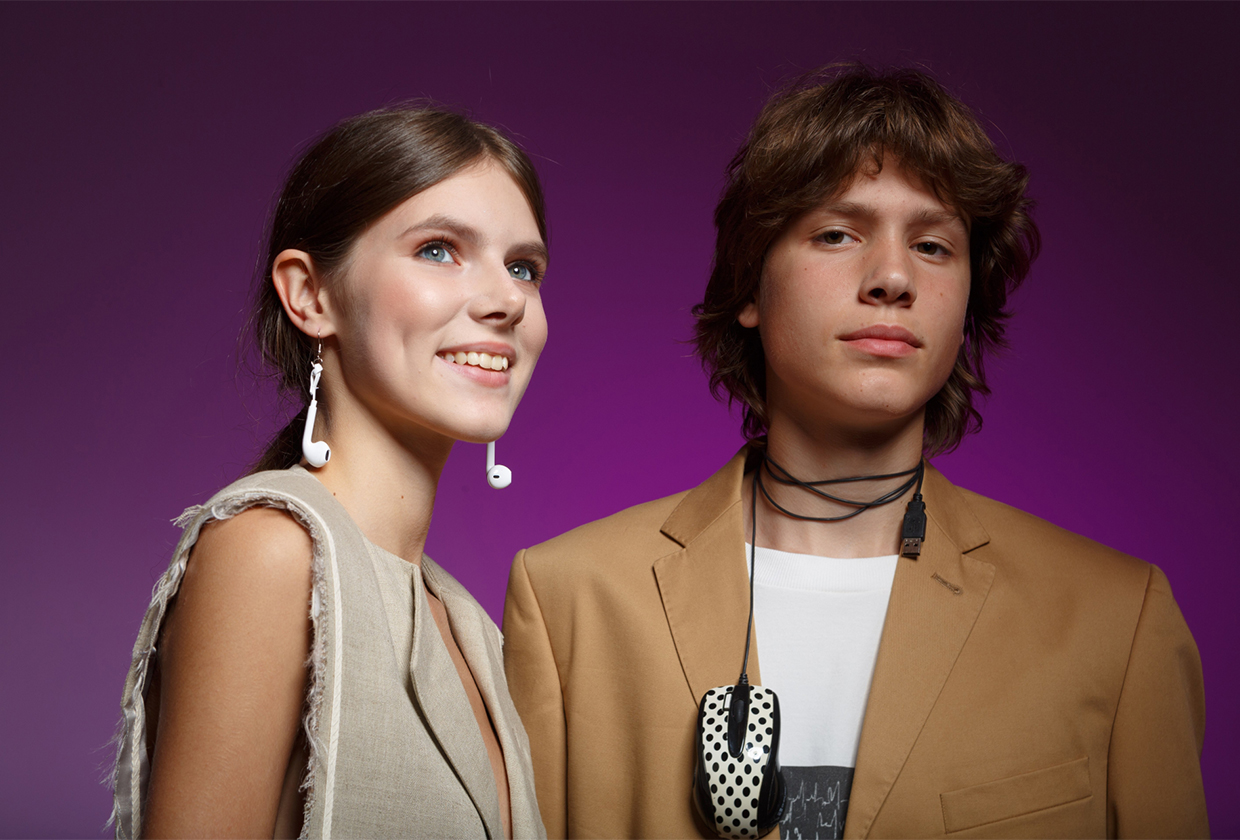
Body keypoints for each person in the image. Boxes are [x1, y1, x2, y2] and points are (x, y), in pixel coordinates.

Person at [502, 66, 1208, 839]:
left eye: (933, 245)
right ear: (750, 287)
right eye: (837, 233)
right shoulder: (570, 599)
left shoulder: (1117, 620)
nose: (894, 278)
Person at [112, 107, 551, 839]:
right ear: (310, 296)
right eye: (439, 250)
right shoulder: (270, 550)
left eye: (523, 267)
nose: (508, 299)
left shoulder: (467, 623)